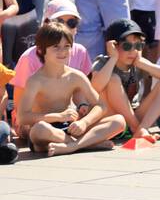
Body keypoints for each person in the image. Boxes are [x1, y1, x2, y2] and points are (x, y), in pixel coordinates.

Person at [18, 20, 126, 156]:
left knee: (119, 121)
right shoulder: (35, 81)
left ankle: (71, 146)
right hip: (47, 129)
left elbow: (101, 106)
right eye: (56, 47)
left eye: (67, 46)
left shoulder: (75, 76)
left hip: (71, 127)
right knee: (39, 129)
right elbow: (22, 117)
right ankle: (84, 145)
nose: (62, 52)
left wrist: (84, 122)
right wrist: (57, 116)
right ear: (41, 50)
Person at [89, 17, 160, 144]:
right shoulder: (104, 62)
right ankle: (136, 128)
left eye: (138, 45)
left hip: (132, 117)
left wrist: (142, 63)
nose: (133, 51)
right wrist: (113, 58)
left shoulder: (137, 63)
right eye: (127, 46)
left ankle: (142, 129)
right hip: (110, 119)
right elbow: (95, 87)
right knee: (113, 79)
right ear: (112, 45)